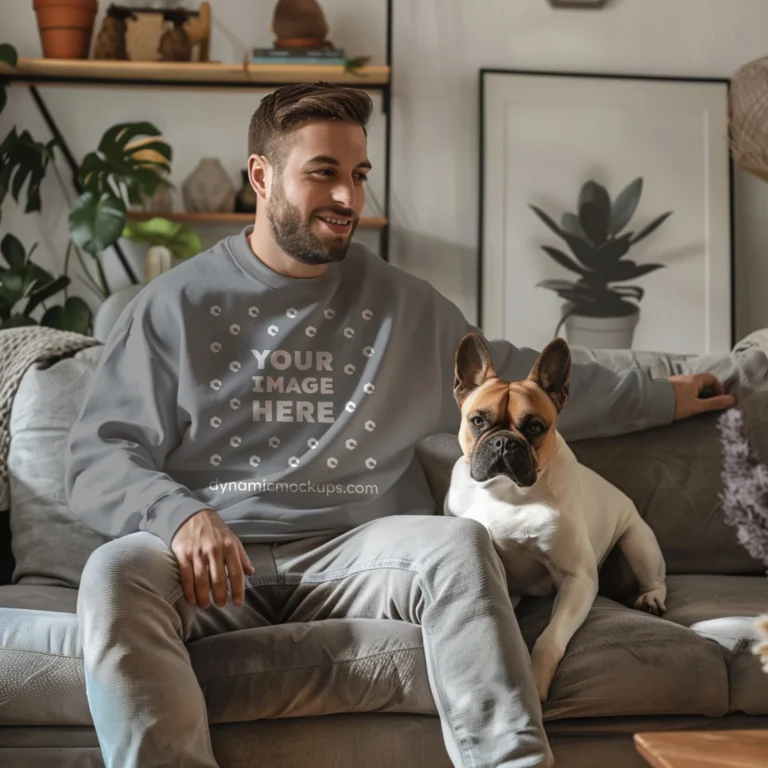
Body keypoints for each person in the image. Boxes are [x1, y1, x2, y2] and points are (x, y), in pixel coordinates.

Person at [64, 82, 734, 768]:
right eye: (323, 172)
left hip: (360, 553)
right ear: (261, 177)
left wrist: (661, 396)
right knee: (113, 573)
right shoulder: (173, 305)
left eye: (359, 176)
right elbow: (94, 458)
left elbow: (519, 382)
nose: (349, 199)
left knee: (458, 546)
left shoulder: (403, 306)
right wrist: (179, 517)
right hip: (213, 561)